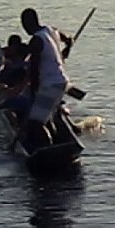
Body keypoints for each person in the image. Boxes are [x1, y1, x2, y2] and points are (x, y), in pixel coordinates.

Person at [21, 8, 73, 147]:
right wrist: (64, 52)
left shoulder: (36, 40)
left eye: (24, 24)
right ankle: (55, 141)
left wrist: (33, 91)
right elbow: (69, 40)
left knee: (35, 123)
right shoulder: (52, 30)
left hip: (51, 85)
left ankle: (47, 148)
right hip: (62, 82)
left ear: (28, 23)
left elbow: (34, 69)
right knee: (46, 117)